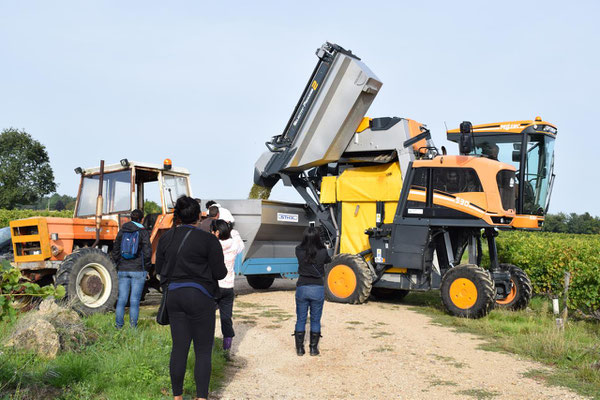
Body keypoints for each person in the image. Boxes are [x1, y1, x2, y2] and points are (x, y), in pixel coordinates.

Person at [155, 196, 227, 400]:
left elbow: (160, 269)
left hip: (174, 297)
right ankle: (201, 397)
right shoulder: (208, 239)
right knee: (203, 350)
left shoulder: (166, 238)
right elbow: (220, 273)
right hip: (200, 296)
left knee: (179, 348)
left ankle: (177, 397)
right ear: (198, 215)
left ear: (177, 215)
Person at [293, 226, 331, 356]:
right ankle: (313, 349)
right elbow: (328, 260)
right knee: (315, 320)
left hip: (302, 287)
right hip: (317, 288)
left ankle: (299, 349)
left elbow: (303, 249)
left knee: (301, 319)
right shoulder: (322, 251)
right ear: (317, 238)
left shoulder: (298, 250)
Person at [112, 209, 151, 329]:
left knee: (122, 299)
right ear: (142, 219)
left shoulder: (122, 230)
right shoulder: (143, 232)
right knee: (134, 300)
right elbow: (147, 252)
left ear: (130, 218)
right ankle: (133, 328)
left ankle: (119, 326)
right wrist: (147, 268)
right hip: (138, 269)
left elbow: (116, 249)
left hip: (123, 269)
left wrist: (118, 265)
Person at [210, 219, 244, 351]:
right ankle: (226, 348)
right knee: (226, 317)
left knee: (209, 317)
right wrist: (233, 230)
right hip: (228, 287)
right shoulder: (234, 245)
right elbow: (241, 244)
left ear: (217, 233)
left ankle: (210, 347)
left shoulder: (213, 246)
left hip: (214, 287)